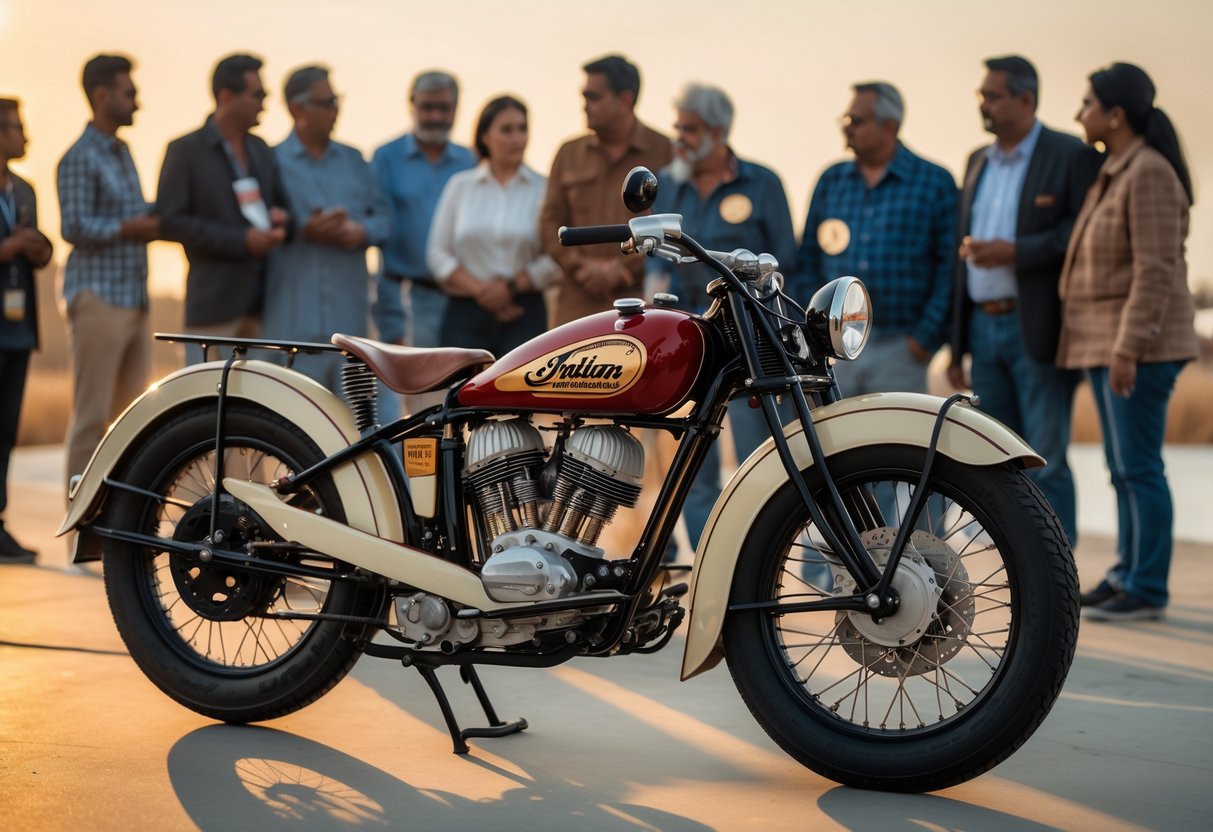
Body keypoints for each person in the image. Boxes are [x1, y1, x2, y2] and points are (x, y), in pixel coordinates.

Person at [1059, 63, 1199, 621]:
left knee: (1139, 467)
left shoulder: (1149, 173)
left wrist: (1127, 348)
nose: (1079, 114)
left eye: (1088, 103)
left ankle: (1147, 586)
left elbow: (1155, 269)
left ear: (1115, 115)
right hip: (1104, 344)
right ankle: (1127, 572)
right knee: (1122, 468)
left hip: (1140, 347)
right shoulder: (1118, 168)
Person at [947, 56, 1101, 548]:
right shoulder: (976, 160)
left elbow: (1081, 234)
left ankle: (1061, 568)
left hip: (1037, 327)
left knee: (1046, 456)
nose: (983, 103)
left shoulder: (1069, 154)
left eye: (992, 95)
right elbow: (959, 257)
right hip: (983, 331)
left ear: (1025, 100)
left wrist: (1015, 252)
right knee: (998, 459)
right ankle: (1024, 566)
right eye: (982, 95)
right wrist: (957, 347)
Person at [646, 82, 797, 553]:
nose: (679, 138)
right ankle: (712, 561)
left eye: (688, 129)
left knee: (761, 459)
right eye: (678, 127)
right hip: (687, 339)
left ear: (717, 131)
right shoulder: (669, 184)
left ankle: (755, 561)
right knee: (691, 464)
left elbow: (786, 262)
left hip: (750, 340)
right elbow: (655, 257)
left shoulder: (763, 183)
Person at [797, 82, 956, 395]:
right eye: (846, 120)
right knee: (835, 443)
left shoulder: (934, 183)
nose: (848, 128)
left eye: (856, 120)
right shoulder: (832, 180)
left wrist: (922, 342)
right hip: (836, 348)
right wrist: (815, 336)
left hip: (901, 348)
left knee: (898, 442)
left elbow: (950, 269)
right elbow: (808, 260)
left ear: (889, 126)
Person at [57, 54, 160, 492]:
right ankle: (78, 541)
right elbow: (73, 226)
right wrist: (130, 228)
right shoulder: (79, 157)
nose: (137, 101)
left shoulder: (123, 152)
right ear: (102, 96)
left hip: (134, 300)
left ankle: (117, 537)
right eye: (128, 92)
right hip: (98, 299)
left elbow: (136, 212)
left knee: (131, 422)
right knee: (91, 421)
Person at [157, 53, 290, 364]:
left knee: (259, 408)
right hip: (213, 308)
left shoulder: (261, 150)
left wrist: (282, 220)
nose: (265, 103)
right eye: (258, 95)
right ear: (227, 96)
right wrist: (241, 240)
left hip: (264, 309)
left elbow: (283, 208)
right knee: (209, 407)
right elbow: (169, 222)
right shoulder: (184, 151)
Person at [263, 65, 389, 392]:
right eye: (327, 102)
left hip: (350, 332)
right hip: (290, 331)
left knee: (358, 432)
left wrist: (358, 232)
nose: (336, 109)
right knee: (294, 432)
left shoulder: (355, 161)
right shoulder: (270, 162)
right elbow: (257, 223)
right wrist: (305, 228)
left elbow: (385, 221)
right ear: (297, 108)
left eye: (337, 100)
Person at [539, 54, 672, 326]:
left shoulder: (666, 152)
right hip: (575, 309)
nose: (584, 106)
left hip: (640, 309)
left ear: (624, 100)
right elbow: (548, 223)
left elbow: (674, 224)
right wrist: (580, 267)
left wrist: (622, 272)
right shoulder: (568, 153)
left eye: (593, 97)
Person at [371, 70, 475, 418]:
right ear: (412, 105)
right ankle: (417, 475)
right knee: (417, 408)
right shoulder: (386, 158)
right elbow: (379, 235)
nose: (435, 116)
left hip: (462, 297)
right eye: (427, 107)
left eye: (443, 108)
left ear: (456, 109)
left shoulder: (470, 161)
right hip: (409, 296)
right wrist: (392, 323)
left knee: (460, 401)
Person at [427, 96, 558, 354]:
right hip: (465, 312)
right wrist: (485, 293)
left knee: (519, 393)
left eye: (522, 128)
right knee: (460, 393)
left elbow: (556, 256)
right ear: (485, 136)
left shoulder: (545, 188)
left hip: (524, 312)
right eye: (506, 130)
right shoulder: (460, 186)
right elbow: (437, 253)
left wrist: (512, 287)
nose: (516, 138)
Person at [0, 98, 53, 563]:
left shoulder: (26, 191)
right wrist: (8, 245)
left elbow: (41, 250)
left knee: (5, 430)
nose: (26, 136)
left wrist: (36, 249)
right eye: (17, 128)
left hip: (17, 328)